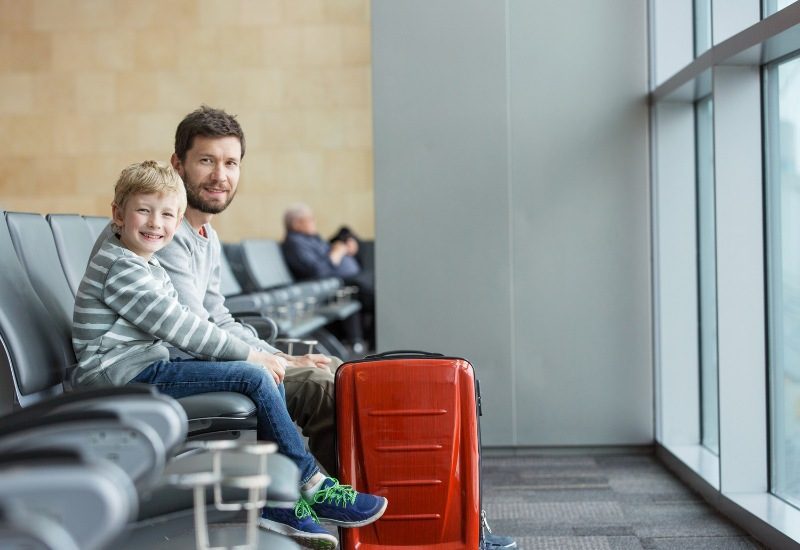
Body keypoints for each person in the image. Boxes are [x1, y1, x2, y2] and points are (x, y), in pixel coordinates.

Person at [73, 160, 387, 549]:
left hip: (142, 367)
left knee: (250, 372)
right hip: (119, 377)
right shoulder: (121, 267)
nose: (156, 222)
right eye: (143, 210)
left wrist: (261, 355)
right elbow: (181, 328)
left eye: (168, 214)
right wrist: (253, 357)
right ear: (118, 215)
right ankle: (310, 485)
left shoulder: (143, 261)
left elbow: (190, 321)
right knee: (251, 375)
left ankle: (281, 498)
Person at [89, 106, 341, 478]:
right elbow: (190, 333)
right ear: (178, 164)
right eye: (206, 160)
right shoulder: (160, 240)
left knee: (336, 371)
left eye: (231, 163)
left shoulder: (207, 237)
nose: (220, 175)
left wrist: (276, 354)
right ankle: (349, 506)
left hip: (200, 357)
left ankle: (370, 493)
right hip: (175, 366)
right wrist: (276, 361)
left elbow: (218, 317)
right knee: (321, 386)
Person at [282, 203, 375, 349]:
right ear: (297, 223)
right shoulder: (295, 243)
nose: (314, 222)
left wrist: (342, 247)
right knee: (373, 294)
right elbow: (317, 272)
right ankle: (365, 342)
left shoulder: (311, 238)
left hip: (348, 279)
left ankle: (364, 341)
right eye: (310, 219)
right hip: (337, 283)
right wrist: (336, 253)